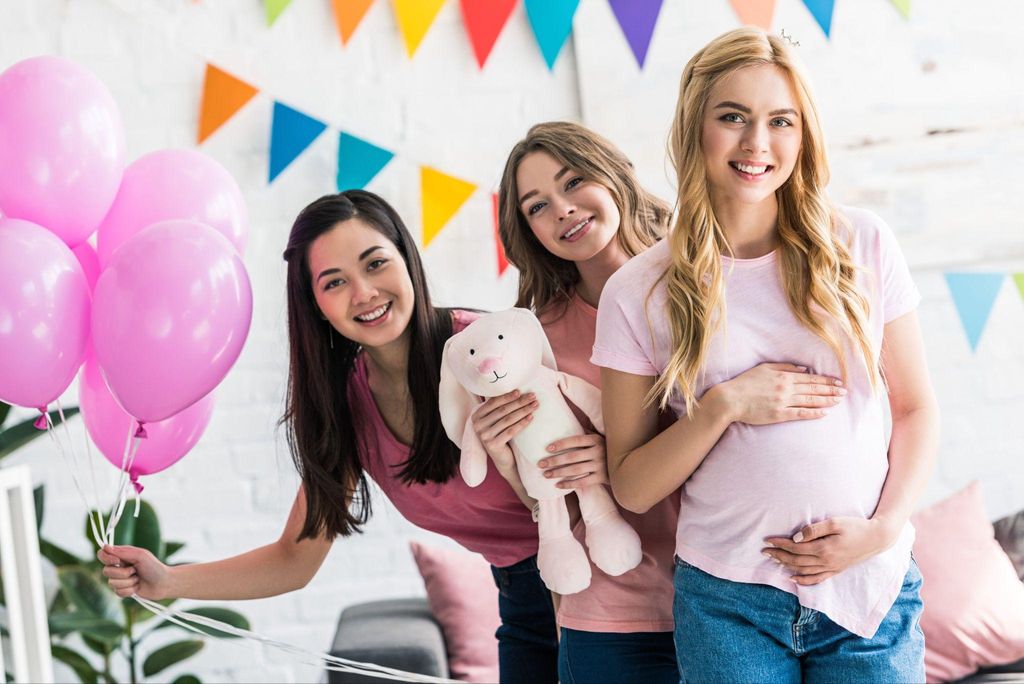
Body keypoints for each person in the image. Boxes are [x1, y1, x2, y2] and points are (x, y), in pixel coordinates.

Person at [98, 190, 560, 683]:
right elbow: (294, 559)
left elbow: (578, 487)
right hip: (521, 597)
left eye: (376, 263)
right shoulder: (345, 407)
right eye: (335, 282)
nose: (363, 293)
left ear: (407, 258)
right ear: (316, 305)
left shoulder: (488, 354)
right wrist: (168, 581)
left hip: (595, 575)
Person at [594, 28, 939, 683]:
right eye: (733, 117)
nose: (757, 143)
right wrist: (724, 404)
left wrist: (885, 528)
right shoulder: (638, 291)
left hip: (867, 585)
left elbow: (917, 408)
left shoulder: (861, 244)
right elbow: (633, 486)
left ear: (803, 134)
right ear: (695, 128)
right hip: (729, 605)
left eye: (781, 121)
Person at [480, 121, 854, 683]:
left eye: (574, 181)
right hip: (618, 612)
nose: (562, 209)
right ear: (527, 230)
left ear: (614, 176)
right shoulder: (535, 341)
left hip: (742, 600)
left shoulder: (716, 273)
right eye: (537, 206)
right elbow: (550, 502)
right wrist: (516, 462)